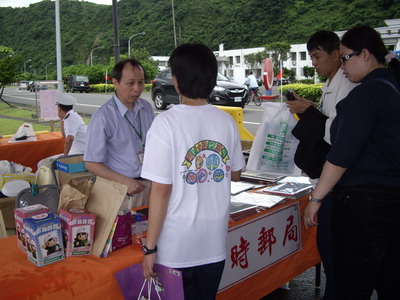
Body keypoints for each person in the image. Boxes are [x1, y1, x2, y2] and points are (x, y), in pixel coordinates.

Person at [141, 43, 246, 300]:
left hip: (177, 247)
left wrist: (149, 248)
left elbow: (161, 190)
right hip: (214, 242)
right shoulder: (227, 122)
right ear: (212, 79)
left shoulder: (165, 124)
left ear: (176, 82)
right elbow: (235, 174)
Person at [304, 25, 400, 299]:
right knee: (390, 278)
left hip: (366, 202)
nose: (343, 65)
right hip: (391, 198)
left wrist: (316, 198)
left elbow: (341, 155)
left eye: (346, 58)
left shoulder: (365, 95)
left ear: (366, 54)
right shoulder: (392, 85)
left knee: (352, 280)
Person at [287, 30, 357, 300]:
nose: (313, 63)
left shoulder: (348, 84)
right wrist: (310, 108)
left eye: (317, 56)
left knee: (336, 251)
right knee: (331, 252)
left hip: (335, 183)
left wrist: (310, 113)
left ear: (336, 54)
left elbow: (335, 133)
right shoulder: (333, 81)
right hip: (328, 179)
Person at [84, 59, 155, 209]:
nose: (137, 89)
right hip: (121, 190)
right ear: (115, 82)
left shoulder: (146, 108)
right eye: (130, 83)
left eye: (141, 83)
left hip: (149, 186)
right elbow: (91, 163)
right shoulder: (103, 117)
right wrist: (125, 182)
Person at [36, 93, 87, 169]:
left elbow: (69, 139)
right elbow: (64, 135)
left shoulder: (70, 118)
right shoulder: (71, 116)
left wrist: (65, 157)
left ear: (59, 108)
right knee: (45, 163)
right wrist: (61, 119)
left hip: (78, 153)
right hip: (77, 151)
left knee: (42, 164)